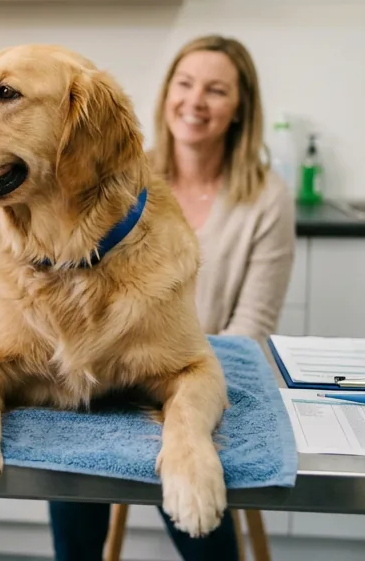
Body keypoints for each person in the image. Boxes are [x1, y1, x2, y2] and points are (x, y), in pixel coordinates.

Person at [48, 35, 297, 561]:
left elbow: (251, 327)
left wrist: (181, 380)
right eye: (184, 84)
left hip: (192, 373)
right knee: (69, 444)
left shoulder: (266, 197)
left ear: (240, 109)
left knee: (186, 456)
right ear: (166, 94)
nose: (195, 101)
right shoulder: (123, 173)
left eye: (216, 90)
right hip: (109, 365)